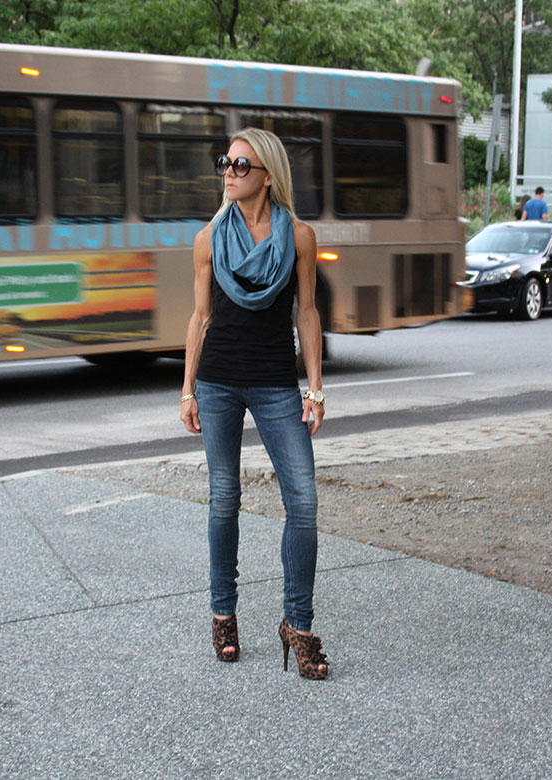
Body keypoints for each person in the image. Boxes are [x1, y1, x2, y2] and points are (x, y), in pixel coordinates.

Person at [180, 127, 329, 680]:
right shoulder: (207, 238)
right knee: (224, 499)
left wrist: (314, 389)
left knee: (305, 502)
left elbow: (307, 315)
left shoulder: (300, 238)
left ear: (268, 174)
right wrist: (188, 388)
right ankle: (224, 614)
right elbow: (200, 317)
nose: (229, 171)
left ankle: (299, 623)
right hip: (218, 381)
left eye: (241, 164)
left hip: (274, 384)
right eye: (226, 162)